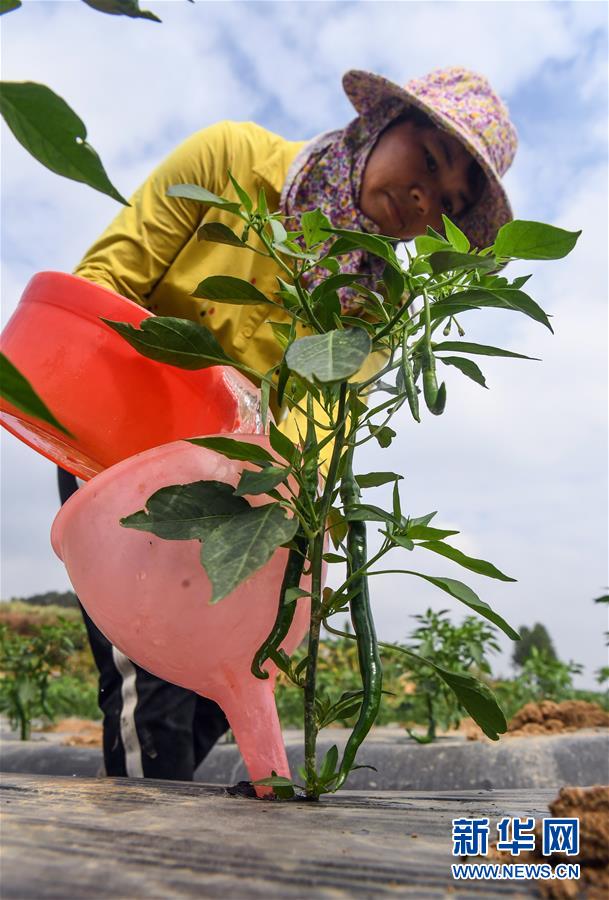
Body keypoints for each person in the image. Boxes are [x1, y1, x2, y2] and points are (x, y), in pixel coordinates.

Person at [58, 65, 518, 780]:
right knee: (150, 686)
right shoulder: (231, 161)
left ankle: (165, 835)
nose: (425, 197)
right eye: (427, 160)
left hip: (243, 496)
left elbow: (318, 429)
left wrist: (301, 527)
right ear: (383, 121)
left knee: (239, 663)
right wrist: (179, 428)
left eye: (450, 203)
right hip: (120, 453)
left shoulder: (370, 311)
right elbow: (104, 285)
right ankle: (147, 872)